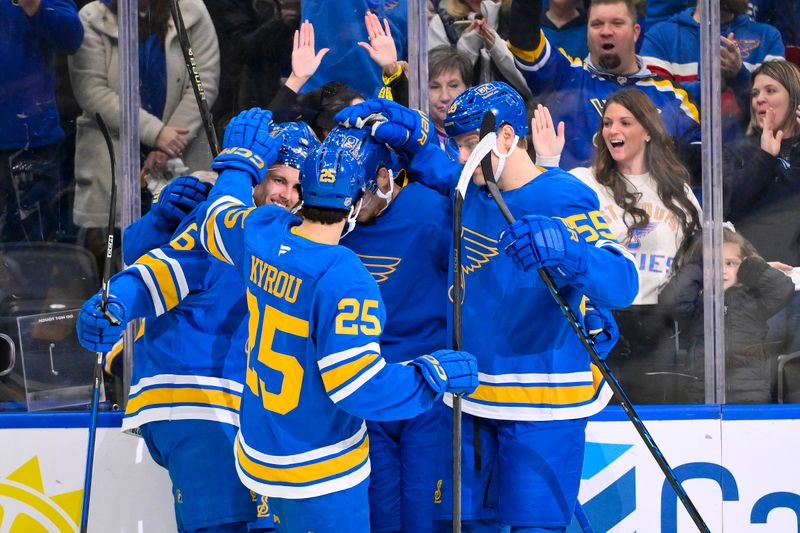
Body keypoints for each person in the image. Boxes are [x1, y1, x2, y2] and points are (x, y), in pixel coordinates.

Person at [335, 82, 637, 530]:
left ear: (509, 138)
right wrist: (411, 135)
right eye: (458, 144)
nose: (462, 156)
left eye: (472, 144)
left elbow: (622, 282)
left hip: (543, 403)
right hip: (472, 398)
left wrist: (572, 253)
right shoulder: (469, 188)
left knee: (536, 526)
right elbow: (435, 164)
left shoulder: (562, 195)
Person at [194, 109, 479, 532]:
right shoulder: (346, 277)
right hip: (321, 465)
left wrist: (237, 161)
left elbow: (216, 216)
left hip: (261, 451)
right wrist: (431, 374)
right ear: (358, 198)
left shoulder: (263, 231)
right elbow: (359, 388)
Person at [77, 121, 318, 533]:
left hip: (246, 410)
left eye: (298, 186)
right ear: (256, 176)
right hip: (195, 398)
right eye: (278, 179)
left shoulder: (290, 237)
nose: (287, 195)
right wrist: (113, 304)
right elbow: (155, 269)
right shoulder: (218, 222)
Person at [533, 89, 702, 402]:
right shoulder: (585, 182)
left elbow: (698, 254)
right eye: (608, 123)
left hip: (661, 329)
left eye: (625, 122)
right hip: (600, 324)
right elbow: (543, 221)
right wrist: (546, 163)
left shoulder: (677, 192)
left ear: (648, 131)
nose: (613, 131)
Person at [337, 132, 452, 532]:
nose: (351, 209)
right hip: (367, 386)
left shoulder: (433, 211)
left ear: (385, 179)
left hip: (428, 385)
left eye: (361, 196)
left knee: (424, 515)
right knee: (381, 516)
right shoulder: (336, 217)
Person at [68, 0, 219, 258]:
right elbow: (91, 91)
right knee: (112, 262)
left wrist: (169, 143)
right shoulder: (92, 17)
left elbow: (204, 80)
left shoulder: (191, 10)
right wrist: (156, 133)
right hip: (112, 166)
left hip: (181, 152)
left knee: (185, 256)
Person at [506, 0, 701, 170]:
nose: (606, 32)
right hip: (577, 209)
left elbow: (704, 162)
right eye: (597, 24)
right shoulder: (565, 77)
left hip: (650, 209)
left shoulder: (672, 96)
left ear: (635, 32)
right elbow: (524, 39)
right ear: (587, 32)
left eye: (617, 23)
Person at [659, 225, 795, 403]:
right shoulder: (697, 302)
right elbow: (671, 301)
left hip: (751, 393)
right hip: (702, 393)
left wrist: (751, 266)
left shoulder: (754, 300)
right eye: (712, 264)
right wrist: (696, 269)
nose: (722, 270)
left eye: (730, 263)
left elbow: (782, 289)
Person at [723, 59, 800, 354]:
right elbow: (731, 206)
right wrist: (765, 158)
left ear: (793, 96)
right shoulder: (739, 151)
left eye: (771, 90)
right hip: (759, 288)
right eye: (755, 93)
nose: (760, 99)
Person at [0, 0, 83, 242]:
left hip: (31, 143)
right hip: (29, 136)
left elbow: (72, 38)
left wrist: (35, 5)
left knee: (34, 254)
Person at [640, 0, 784, 139]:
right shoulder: (660, 37)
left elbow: (777, 113)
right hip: (679, 158)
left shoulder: (768, 38)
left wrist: (739, 76)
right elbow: (653, 110)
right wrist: (710, 85)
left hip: (753, 156)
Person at [428, 0, 533, 99]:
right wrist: (467, 47)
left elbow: (534, 89)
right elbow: (438, 86)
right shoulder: (442, 22)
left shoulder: (520, 18)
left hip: (515, 112)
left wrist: (498, 48)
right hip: (462, 114)